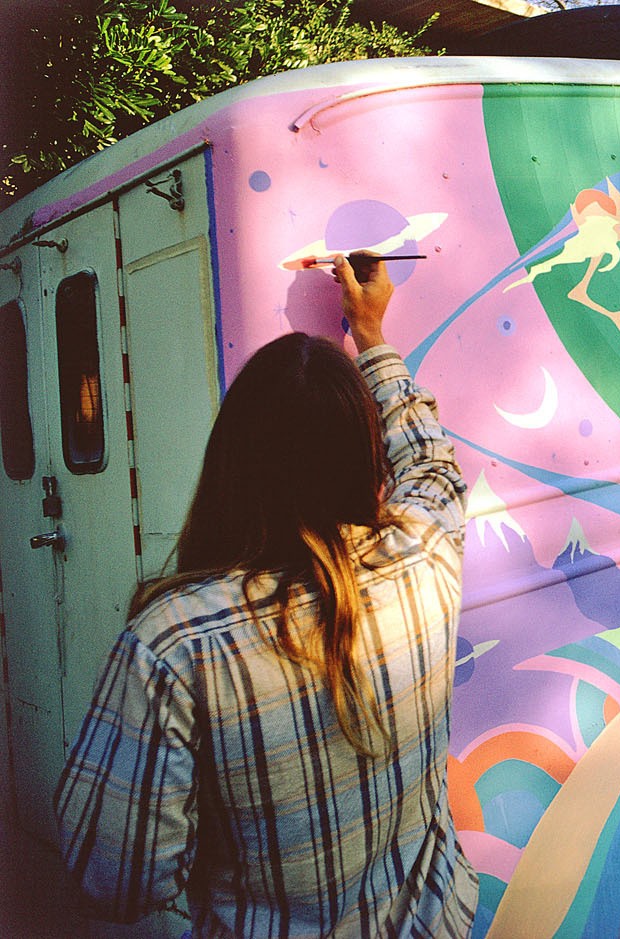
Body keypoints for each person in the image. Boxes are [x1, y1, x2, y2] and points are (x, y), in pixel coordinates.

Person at [53, 255, 477, 937]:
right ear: (365, 456)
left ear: (231, 461)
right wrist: (370, 336)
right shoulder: (424, 555)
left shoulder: (175, 645)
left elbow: (116, 874)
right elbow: (431, 467)